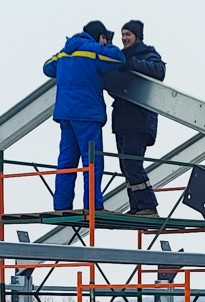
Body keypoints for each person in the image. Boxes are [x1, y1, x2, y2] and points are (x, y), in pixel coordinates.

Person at [43, 21, 124, 213]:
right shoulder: (93, 50)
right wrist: (108, 45)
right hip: (87, 113)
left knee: (67, 161)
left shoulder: (65, 52)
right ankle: (93, 205)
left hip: (65, 113)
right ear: (99, 36)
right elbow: (118, 57)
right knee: (92, 161)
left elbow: (47, 68)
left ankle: (61, 205)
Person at [107, 19, 167, 216]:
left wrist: (131, 64)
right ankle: (137, 206)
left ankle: (148, 205)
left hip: (139, 120)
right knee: (125, 166)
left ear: (137, 36)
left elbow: (159, 71)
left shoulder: (148, 54)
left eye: (128, 34)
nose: (124, 38)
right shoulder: (119, 57)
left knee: (132, 163)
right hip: (122, 120)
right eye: (123, 34)